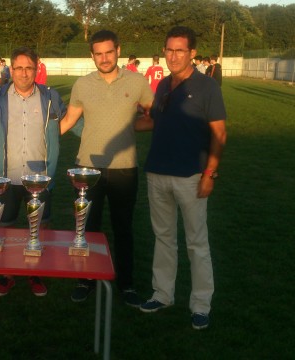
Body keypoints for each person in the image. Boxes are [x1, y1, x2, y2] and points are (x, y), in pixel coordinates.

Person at [137, 26, 227, 331]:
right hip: (157, 172)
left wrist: (210, 173)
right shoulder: (163, 85)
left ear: (191, 53)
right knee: (163, 239)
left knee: (196, 243)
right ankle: (163, 294)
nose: (173, 56)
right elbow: (156, 123)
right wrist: (117, 121)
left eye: (180, 50)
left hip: (191, 175)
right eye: (169, 49)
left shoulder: (207, 86)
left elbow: (219, 133)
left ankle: (201, 305)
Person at [59, 30, 154, 306]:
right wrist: (43, 141)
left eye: (108, 52)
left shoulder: (137, 81)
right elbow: (68, 121)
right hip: (87, 169)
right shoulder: (82, 84)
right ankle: (85, 279)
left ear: (118, 50)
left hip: (125, 169)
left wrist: (128, 128)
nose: (104, 58)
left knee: (123, 228)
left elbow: (154, 115)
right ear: (92, 55)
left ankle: (126, 285)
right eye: (98, 54)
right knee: (87, 228)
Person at [0, 47, 67, 297]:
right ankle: (7, 274)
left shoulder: (51, 97)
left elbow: (71, 120)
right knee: (4, 227)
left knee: (40, 227)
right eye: (18, 67)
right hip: (5, 177)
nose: (24, 73)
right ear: (11, 68)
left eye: (29, 67)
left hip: (40, 176)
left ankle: (36, 272)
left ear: (37, 68)